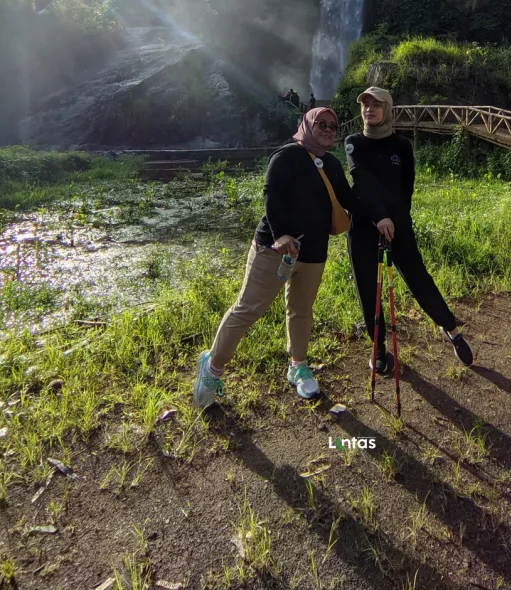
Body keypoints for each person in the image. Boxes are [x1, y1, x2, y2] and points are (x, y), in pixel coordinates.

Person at [194, 107, 395, 408]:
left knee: (301, 310)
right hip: (275, 250)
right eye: (321, 124)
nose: (328, 129)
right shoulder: (286, 155)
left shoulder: (331, 164)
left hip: (313, 252)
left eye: (333, 126)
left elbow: (349, 198)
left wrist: (379, 215)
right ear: (307, 125)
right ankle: (211, 367)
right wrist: (281, 235)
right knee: (248, 309)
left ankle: (298, 366)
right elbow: (271, 194)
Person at [345, 86, 473, 373]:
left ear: (388, 109)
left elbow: (407, 188)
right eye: (365, 105)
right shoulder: (354, 142)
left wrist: (397, 219)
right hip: (364, 225)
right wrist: (379, 216)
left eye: (376, 104)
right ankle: (378, 347)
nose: (369, 109)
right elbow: (360, 178)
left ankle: (450, 329)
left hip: (397, 224)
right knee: (368, 288)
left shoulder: (402, 145)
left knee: (418, 277)